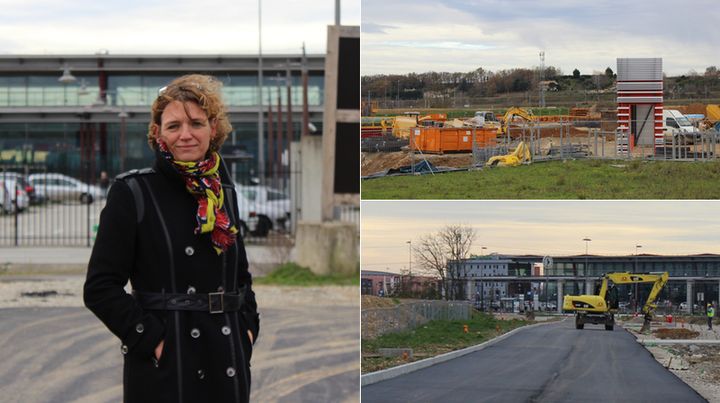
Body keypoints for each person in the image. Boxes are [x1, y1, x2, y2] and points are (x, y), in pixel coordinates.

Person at [84, 74, 259, 403]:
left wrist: (247, 331)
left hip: (226, 357)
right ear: (158, 133)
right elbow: (100, 288)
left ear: (213, 129)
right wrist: (151, 340)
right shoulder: (133, 191)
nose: (186, 134)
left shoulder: (223, 192)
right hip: (165, 366)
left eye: (196, 123)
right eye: (174, 125)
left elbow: (240, 277)